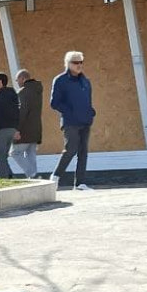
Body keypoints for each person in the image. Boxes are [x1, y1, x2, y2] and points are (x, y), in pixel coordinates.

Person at [48, 51, 96, 191]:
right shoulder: (60, 80)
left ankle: (80, 183)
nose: (79, 65)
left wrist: (91, 112)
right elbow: (54, 103)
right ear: (68, 64)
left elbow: (88, 100)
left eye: (81, 62)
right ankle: (55, 177)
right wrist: (71, 111)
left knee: (83, 152)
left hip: (85, 121)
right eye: (75, 62)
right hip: (70, 122)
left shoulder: (85, 81)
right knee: (70, 149)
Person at [12, 69, 43, 179]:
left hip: (25, 130)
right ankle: (34, 178)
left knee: (15, 153)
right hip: (36, 129)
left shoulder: (23, 92)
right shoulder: (37, 91)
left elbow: (22, 112)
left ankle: (33, 175)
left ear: (23, 78)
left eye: (17, 80)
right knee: (31, 154)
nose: (17, 82)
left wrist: (16, 129)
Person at [0, 72, 21, 178]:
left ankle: (5, 178)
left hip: (1, 130)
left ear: (0, 82)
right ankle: (10, 177)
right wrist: (17, 128)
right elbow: (18, 112)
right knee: (4, 156)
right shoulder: (13, 94)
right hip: (12, 129)